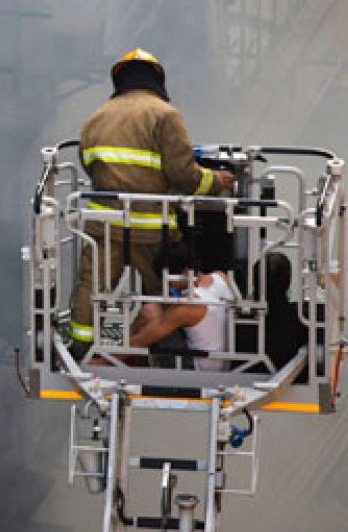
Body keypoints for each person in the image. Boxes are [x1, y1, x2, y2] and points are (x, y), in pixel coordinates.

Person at [66, 49, 234, 354]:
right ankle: (161, 349)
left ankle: (82, 348)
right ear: (157, 79)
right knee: (162, 294)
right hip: (152, 228)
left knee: (93, 289)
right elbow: (183, 174)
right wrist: (215, 181)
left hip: (104, 226)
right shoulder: (165, 115)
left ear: (120, 79)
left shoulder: (95, 118)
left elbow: (90, 165)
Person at [129, 241, 237, 371]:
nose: (168, 284)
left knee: (150, 311)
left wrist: (106, 358)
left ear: (186, 273)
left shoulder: (189, 305)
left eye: (169, 279)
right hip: (226, 363)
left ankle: (118, 358)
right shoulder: (221, 277)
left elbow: (139, 341)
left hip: (199, 370)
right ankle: (132, 356)